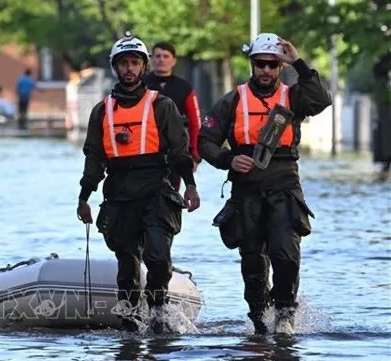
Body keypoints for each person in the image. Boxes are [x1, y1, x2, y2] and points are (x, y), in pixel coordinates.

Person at [198, 33, 332, 335]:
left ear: (280, 67)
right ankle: (260, 319)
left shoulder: (293, 97)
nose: (266, 71)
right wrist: (228, 159)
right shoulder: (231, 100)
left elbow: (322, 99)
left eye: (273, 65)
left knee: (286, 254)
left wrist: (298, 62)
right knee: (253, 264)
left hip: (284, 186)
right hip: (246, 192)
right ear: (252, 64)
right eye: (261, 64)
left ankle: (285, 313)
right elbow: (205, 141)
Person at [76, 33, 201, 333]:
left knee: (158, 258)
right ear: (115, 68)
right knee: (127, 264)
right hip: (119, 194)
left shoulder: (162, 105)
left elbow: (180, 151)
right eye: (124, 64)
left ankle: (158, 312)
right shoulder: (101, 111)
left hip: (157, 190)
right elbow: (94, 158)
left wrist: (191, 186)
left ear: (143, 67)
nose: (129, 69)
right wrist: (84, 197)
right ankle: (130, 321)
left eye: (135, 63)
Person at [145, 41, 203, 191]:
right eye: (157, 56)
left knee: (171, 197)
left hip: (174, 151)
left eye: (165, 56)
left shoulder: (184, 87)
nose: (161, 60)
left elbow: (195, 122)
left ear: (174, 60)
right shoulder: (142, 84)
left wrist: (195, 154)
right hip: (145, 152)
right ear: (151, 59)